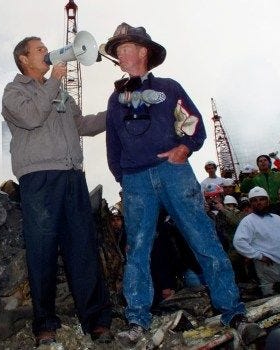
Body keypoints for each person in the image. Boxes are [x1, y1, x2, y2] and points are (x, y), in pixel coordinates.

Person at [104, 22, 264, 347]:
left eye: (124, 48)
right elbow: (113, 146)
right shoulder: (115, 99)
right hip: (136, 181)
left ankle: (234, 312)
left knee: (203, 238)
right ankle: (136, 320)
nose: (119, 55)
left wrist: (184, 148)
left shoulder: (169, 87)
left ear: (143, 51)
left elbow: (193, 124)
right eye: (116, 50)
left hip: (174, 173)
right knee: (137, 250)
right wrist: (125, 178)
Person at [1, 36, 112, 345]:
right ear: (24, 59)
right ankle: (45, 323)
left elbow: (82, 124)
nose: (46, 51)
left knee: (83, 249)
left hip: (72, 177)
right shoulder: (14, 91)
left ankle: (96, 320)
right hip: (39, 179)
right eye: (39, 49)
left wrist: (114, 113)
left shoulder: (60, 91)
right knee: (42, 252)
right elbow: (32, 117)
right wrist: (53, 82)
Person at [233, 187, 280, 296]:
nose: (258, 203)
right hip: (268, 268)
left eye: (262, 199)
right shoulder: (248, 221)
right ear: (251, 203)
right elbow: (239, 242)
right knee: (273, 299)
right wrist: (258, 256)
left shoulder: (278, 219)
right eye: (254, 200)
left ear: (268, 201)